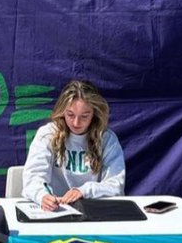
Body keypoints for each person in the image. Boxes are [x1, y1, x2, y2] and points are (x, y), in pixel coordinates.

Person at [22, 79, 125, 210]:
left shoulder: (106, 139)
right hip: (55, 211)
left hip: (93, 212)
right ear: (62, 110)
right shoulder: (47, 134)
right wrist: (43, 196)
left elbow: (116, 184)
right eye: (70, 114)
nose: (76, 123)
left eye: (84, 116)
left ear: (94, 113)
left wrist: (84, 191)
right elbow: (33, 176)